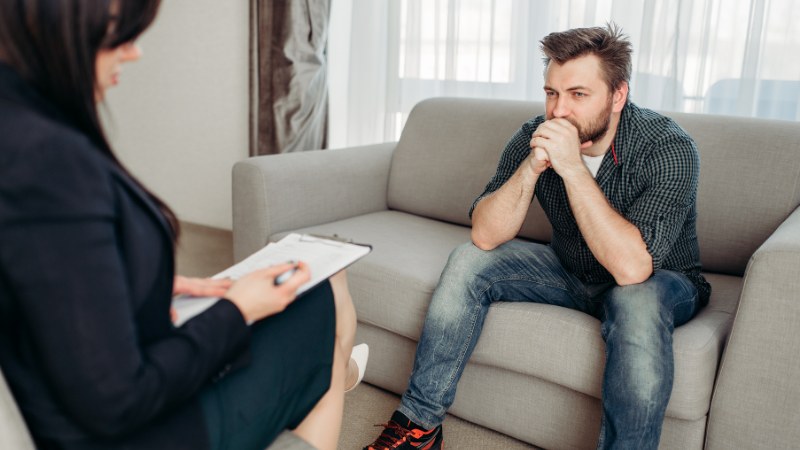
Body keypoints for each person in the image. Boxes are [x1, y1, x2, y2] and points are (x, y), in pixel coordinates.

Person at [0, 1, 368, 449]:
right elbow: (116, 400)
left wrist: (139, 287)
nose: (134, 51)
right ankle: (338, 369)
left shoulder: (22, 120)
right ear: (57, 27)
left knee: (321, 290)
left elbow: (45, 277)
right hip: (139, 432)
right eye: (121, 31)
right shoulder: (46, 160)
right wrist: (239, 310)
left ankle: (337, 368)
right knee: (318, 303)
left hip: (93, 392)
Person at [364, 24, 711, 450]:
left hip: (661, 279)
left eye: (578, 94)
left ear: (618, 95)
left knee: (635, 299)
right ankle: (419, 428)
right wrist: (531, 167)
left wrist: (571, 168)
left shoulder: (669, 148)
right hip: (571, 267)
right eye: (551, 93)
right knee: (469, 260)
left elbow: (632, 268)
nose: (559, 111)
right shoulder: (533, 133)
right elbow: (486, 236)